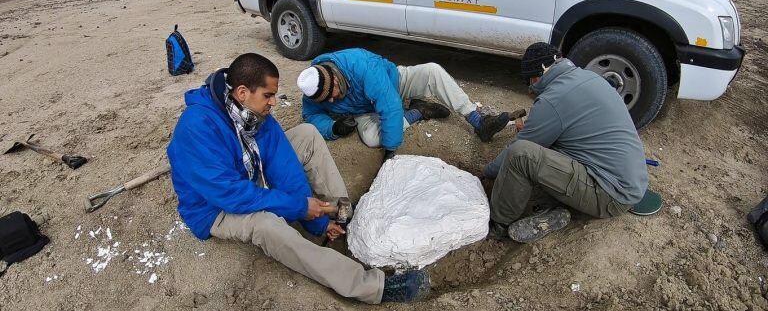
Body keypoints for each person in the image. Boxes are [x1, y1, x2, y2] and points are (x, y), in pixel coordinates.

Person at [166, 53, 430, 303]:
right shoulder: (197, 127)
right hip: (216, 209)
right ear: (243, 92)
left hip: (247, 176)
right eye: (268, 95)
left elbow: (284, 166)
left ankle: (341, 215)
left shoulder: (254, 112)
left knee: (307, 134)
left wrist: (316, 221)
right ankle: (371, 287)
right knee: (267, 225)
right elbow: (232, 196)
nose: (274, 102)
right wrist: (300, 207)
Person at [484, 42, 648, 243]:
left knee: (520, 154)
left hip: (610, 196)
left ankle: (499, 223)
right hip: (631, 182)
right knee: (548, 146)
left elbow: (518, 149)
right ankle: (552, 211)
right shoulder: (591, 78)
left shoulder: (553, 100)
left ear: (536, 77)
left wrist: (486, 173)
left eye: (530, 83)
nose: (530, 90)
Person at [296, 48, 512, 160]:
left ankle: (478, 121)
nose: (332, 101)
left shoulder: (361, 65)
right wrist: (333, 127)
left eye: (332, 94)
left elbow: (389, 106)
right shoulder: (313, 92)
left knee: (432, 71)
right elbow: (312, 115)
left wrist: (391, 150)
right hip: (362, 110)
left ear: (334, 78)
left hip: (394, 82)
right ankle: (419, 111)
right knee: (371, 139)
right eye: (327, 101)